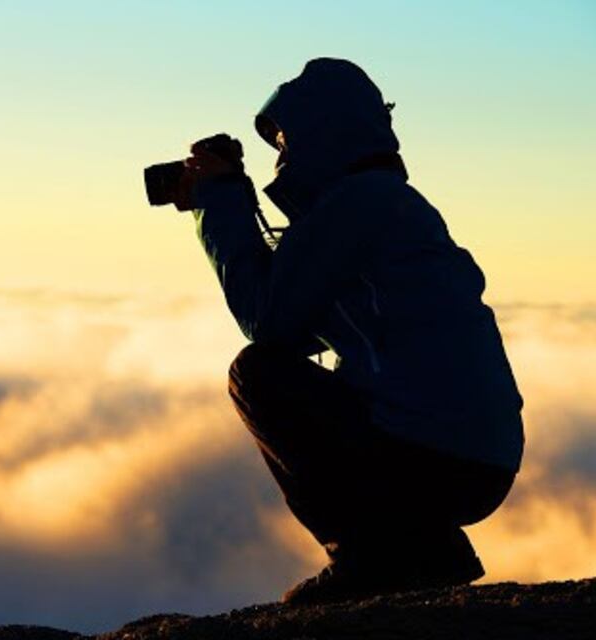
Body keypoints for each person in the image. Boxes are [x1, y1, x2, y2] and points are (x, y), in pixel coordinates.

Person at [178, 58, 524, 604]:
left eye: (288, 138)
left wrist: (220, 205)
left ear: (323, 133)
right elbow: (313, 326)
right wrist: (235, 203)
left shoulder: (357, 205)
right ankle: (427, 546)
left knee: (257, 375)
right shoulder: (383, 204)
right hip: (477, 459)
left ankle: (370, 557)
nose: (283, 156)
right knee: (280, 372)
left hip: (436, 455)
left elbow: (268, 327)